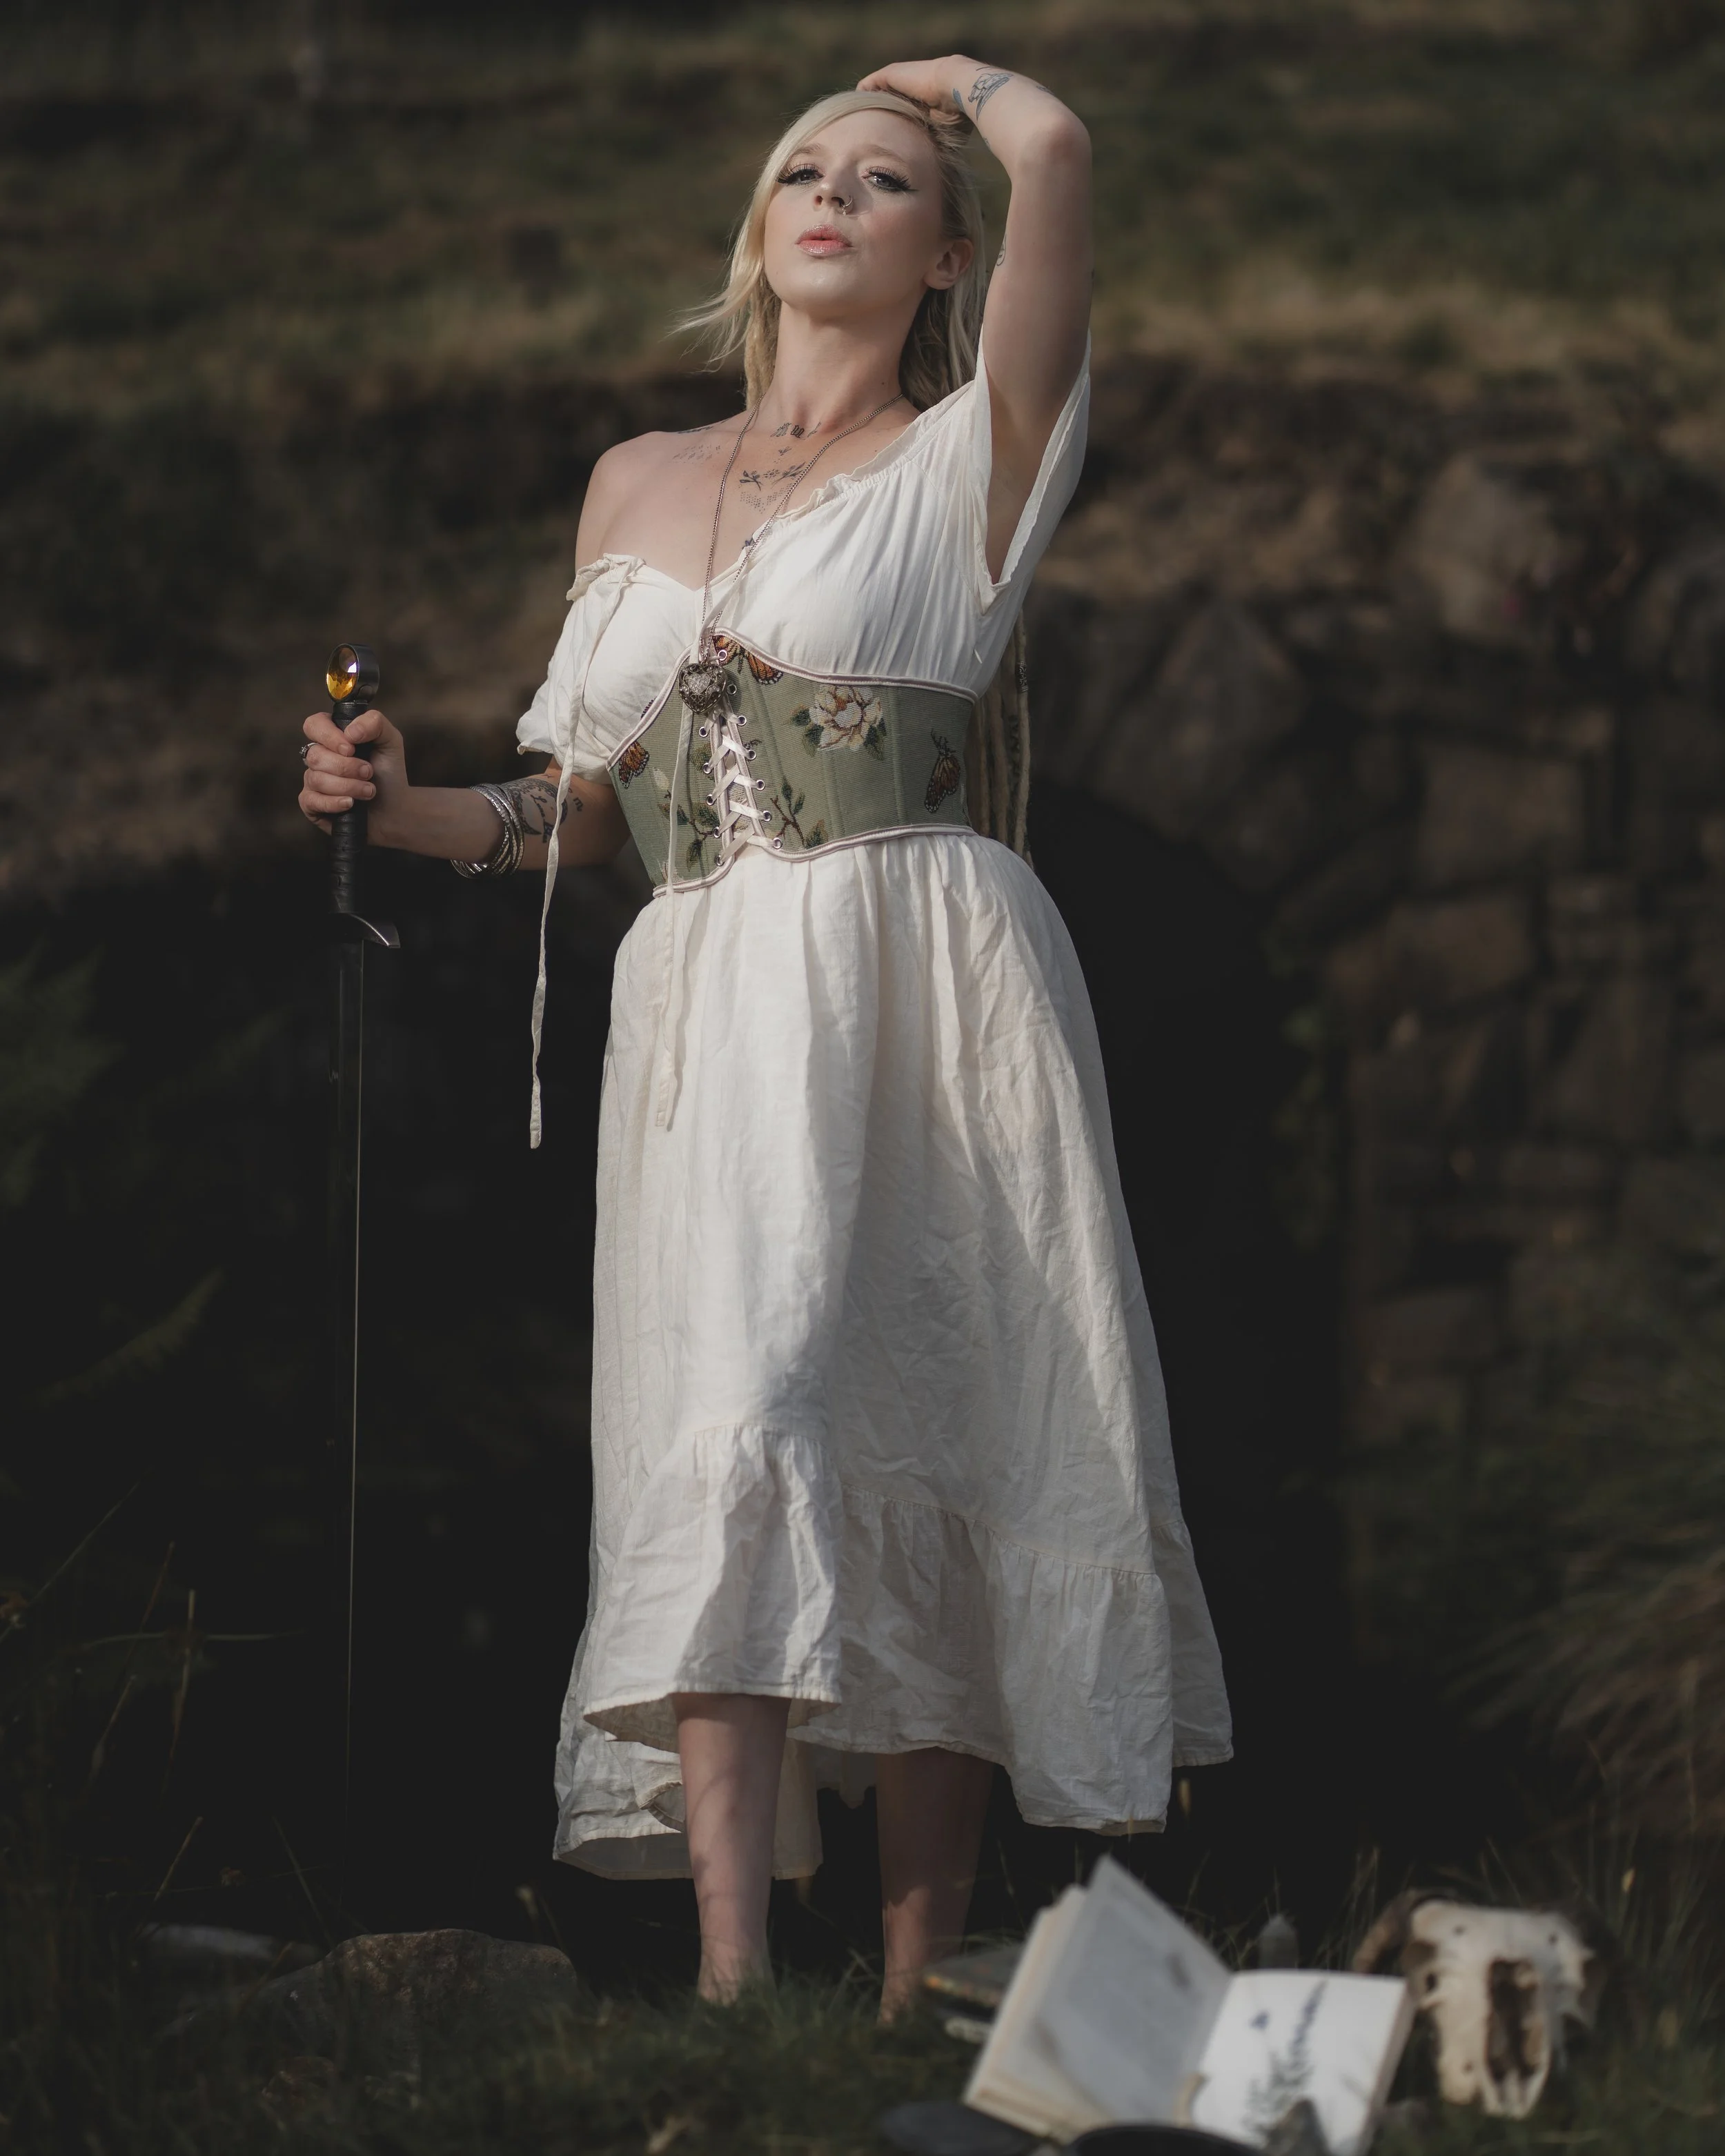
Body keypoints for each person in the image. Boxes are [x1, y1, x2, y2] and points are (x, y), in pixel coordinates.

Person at [298, 55, 1230, 2013]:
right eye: (801, 167)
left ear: (942, 248)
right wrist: (393, 803)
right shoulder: (635, 477)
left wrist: (943, 80)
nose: (832, 192)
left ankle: (907, 1969)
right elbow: (575, 810)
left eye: (881, 178)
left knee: (929, 1392)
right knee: (723, 1416)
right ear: (756, 231)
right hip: (703, 990)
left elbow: (1059, 146)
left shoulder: (983, 440)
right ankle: (733, 1976)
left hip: (913, 962)